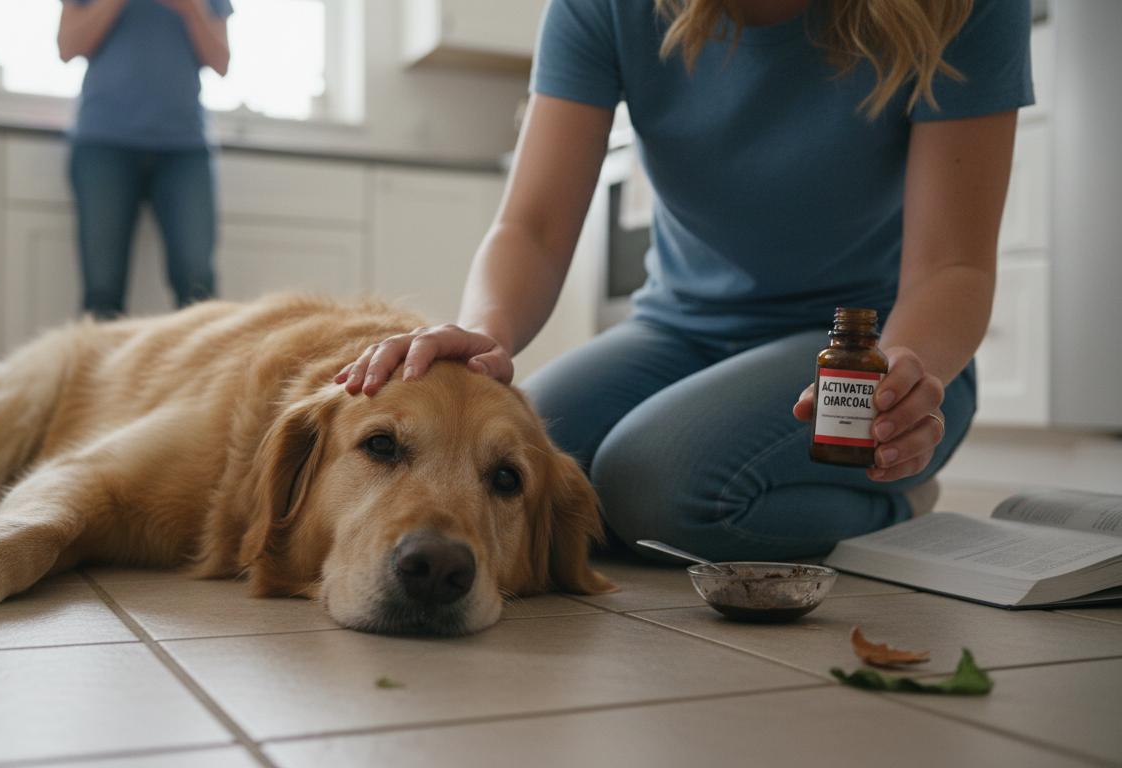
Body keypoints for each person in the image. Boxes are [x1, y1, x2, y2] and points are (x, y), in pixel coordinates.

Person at [335, 0, 1033, 561]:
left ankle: (899, 501)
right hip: (675, 334)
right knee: (534, 470)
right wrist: (484, 336)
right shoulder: (607, 8)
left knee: (653, 492)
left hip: (869, 355)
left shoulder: (961, 9)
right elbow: (534, 229)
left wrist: (903, 374)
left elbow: (954, 267)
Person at [57, 0, 232, 318]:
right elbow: (68, 47)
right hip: (104, 144)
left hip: (184, 148)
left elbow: (221, 62)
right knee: (102, 290)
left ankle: (201, 368)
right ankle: (98, 368)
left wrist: (191, 8)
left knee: (198, 286)